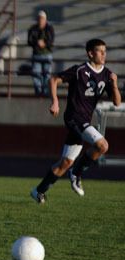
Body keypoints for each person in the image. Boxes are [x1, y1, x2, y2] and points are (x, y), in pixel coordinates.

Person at [31, 39, 121, 204]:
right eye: (99, 51)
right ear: (90, 53)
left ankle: (38, 191)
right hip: (74, 118)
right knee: (103, 145)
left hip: (84, 122)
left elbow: (116, 102)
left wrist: (114, 84)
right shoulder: (79, 70)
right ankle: (77, 173)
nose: (103, 54)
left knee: (65, 163)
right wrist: (55, 101)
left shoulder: (107, 75)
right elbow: (53, 80)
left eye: (104, 51)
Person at [27, 10, 54, 96]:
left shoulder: (50, 28)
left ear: (45, 20)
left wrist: (44, 43)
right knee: (36, 75)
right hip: (36, 54)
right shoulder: (32, 29)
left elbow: (51, 40)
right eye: (39, 19)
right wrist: (37, 42)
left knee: (47, 75)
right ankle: (38, 93)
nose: (41, 20)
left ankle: (45, 93)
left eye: (42, 19)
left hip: (47, 54)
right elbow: (29, 41)